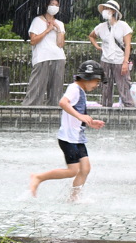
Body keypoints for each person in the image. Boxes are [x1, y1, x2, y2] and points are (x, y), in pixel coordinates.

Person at [28, 60, 106, 201]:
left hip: (77, 138)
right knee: (73, 171)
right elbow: (63, 103)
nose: (97, 85)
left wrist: (90, 122)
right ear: (88, 78)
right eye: (96, 81)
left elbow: (76, 113)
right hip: (68, 139)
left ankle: (73, 199)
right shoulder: (74, 88)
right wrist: (80, 116)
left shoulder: (80, 91)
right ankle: (38, 177)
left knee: (85, 169)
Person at [88, 0, 135, 107]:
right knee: (105, 86)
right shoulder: (101, 26)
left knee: (123, 86)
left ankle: (129, 107)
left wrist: (125, 62)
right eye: (104, 9)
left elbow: (128, 45)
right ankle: (106, 107)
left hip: (119, 60)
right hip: (105, 60)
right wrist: (97, 46)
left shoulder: (123, 25)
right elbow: (91, 36)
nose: (105, 11)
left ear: (114, 11)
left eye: (107, 9)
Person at [23, 0, 67, 106]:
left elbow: (60, 44)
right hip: (42, 57)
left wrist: (58, 29)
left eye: (57, 5)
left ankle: (54, 111)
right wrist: (47, 30)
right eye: (52, 4)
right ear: (47, 5)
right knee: (37, 87)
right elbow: (33, 41)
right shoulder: (37, 21)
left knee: (56, 89)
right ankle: (29, 110)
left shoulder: (60, 23)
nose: (54, 7)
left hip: (58, 57)